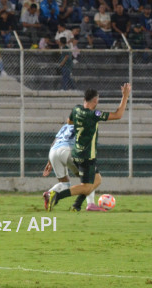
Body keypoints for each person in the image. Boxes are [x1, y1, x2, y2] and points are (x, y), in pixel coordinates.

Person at [46, 84, 131, 212]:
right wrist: (125, 96)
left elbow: (69, 122)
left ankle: (77, 205)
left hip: (76, 152)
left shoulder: (76, 109)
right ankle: (57, 196)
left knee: (96, 180)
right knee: (87, 186)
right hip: (87, 155)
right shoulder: (94, 114)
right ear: (95, 100)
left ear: (84, 99)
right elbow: (118, 114)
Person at [41, 123, 102, 212]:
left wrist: (49, 162)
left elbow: (54, 142)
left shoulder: (66, 126)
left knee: (64, 183)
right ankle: (89, 204)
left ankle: (50, 193)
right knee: (90, 177)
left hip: (53, 151)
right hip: (69, 149)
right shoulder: (86, 125)